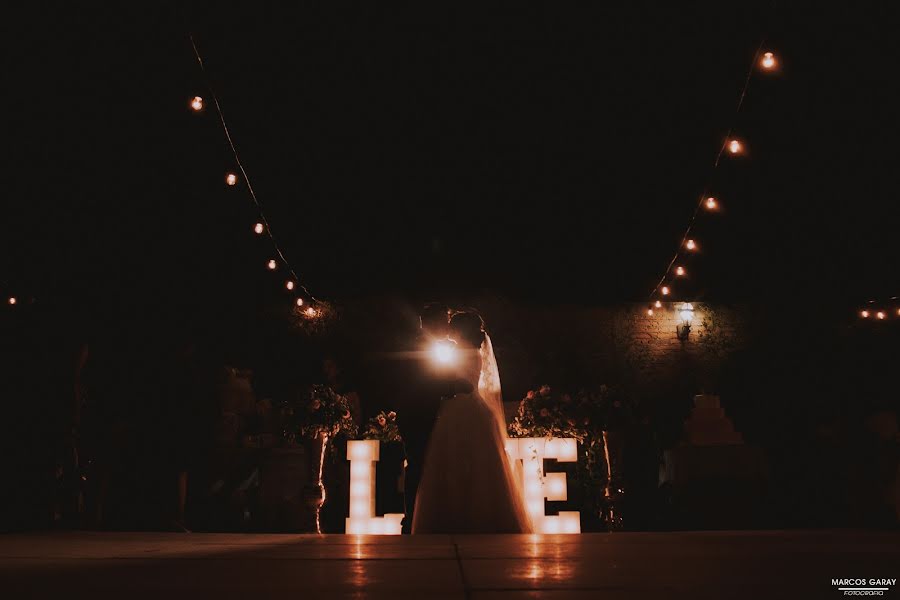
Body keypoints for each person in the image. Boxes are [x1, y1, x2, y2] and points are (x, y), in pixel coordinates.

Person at [412, 311, 531, 533]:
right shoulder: (473, 351)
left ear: (460, 330)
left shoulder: (461, 352)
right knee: (476, 464)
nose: (449, 330)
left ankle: (457, 517)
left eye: (453, 327)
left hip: (460, 407)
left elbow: (463, 384)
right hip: (470, 407)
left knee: (457, 462)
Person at [390, 303, 472, 533]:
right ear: (428, 323)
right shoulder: (417, 346)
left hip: (432, 414)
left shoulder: (441, 347)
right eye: (443, 322)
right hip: (417, 415)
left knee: (430, 467)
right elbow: (424, 384)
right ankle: (412, 519)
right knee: (417, 465)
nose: (447, 327)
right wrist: (454, 386)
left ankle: (427, 517)